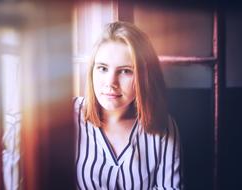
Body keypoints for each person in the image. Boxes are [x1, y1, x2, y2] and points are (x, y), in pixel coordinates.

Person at [74, 21, 183, 190]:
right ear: (92, 71)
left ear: (145, 76)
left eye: (125, 71)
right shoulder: (68, 117)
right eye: (102, 68)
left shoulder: (163, 127)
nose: (111, 83)